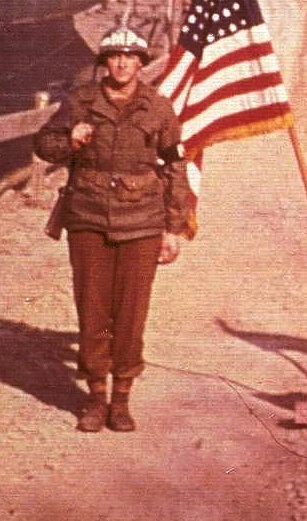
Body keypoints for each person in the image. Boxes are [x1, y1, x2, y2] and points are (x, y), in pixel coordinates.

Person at [35, 27, 192, 432]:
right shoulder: (81, 102)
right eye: (114, 56)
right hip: (87, 216)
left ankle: (122, 398)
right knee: (93, 310)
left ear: (141, 62)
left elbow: (175, 167)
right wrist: (70, 139)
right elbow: (44, 146)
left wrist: (174, 229)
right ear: (104, 62)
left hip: (142, 222)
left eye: (130, 56)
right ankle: (95, 398)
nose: (122, 63)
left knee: (131, 313)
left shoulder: (158, 108)